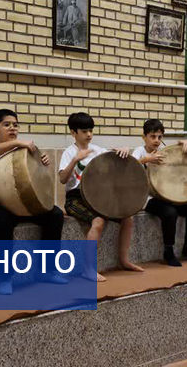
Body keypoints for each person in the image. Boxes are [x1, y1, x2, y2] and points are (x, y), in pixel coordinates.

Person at [0, 109, 66, 295]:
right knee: (2, 219)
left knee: (55, 214)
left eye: (15, 125)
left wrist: (41, 162)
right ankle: (4, 278)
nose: (12, 128)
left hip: (21, 201)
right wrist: (17, 143)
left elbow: (35, 179)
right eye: (7, 125)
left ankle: (47, 271)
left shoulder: (24, 150)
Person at [59, 112, 143, 282]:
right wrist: (75, 160)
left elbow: (116, 162)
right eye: (84, 131)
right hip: (75, 199)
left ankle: (124, 260)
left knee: (128, 217)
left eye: (91, 130)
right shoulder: (69, 152)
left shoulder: (98, 150)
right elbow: (62, 179)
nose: (89, 134)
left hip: (99, 197)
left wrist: (124, 151)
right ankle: (88, 269)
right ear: (73, 132)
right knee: (98, 221)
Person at [133, 119, 187, 266]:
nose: (156, 140)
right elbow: (130, 167)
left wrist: (185, 143)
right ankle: (168, 251)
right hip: (146, 198)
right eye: (152, 136)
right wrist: (146, 159)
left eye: (160, 137)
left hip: (166, 195)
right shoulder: (139, 151)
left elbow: (183, 151)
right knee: (170, 212)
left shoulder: (165, 151)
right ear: (144, 137)